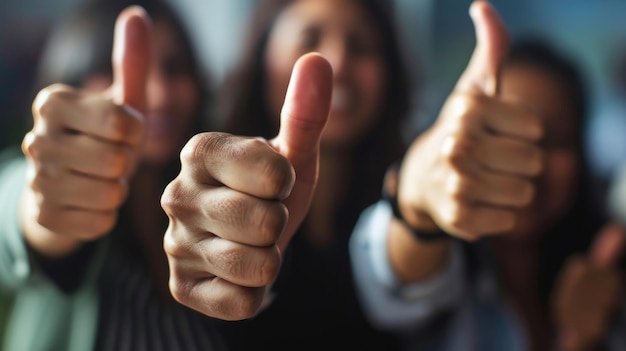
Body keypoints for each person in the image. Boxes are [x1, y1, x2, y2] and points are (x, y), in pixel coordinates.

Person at [349, 3, 626, 351]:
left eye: (556, 139)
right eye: (501, 135)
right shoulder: (439, 268)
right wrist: (417, 193)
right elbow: (391, 278)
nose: (530, 161)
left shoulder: (606, 273)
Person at [171, 0, 412, 349]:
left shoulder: (405, 196)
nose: (338, 62)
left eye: (361, 47)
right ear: (262, 58)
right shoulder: (212, 183)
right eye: (309, 39)